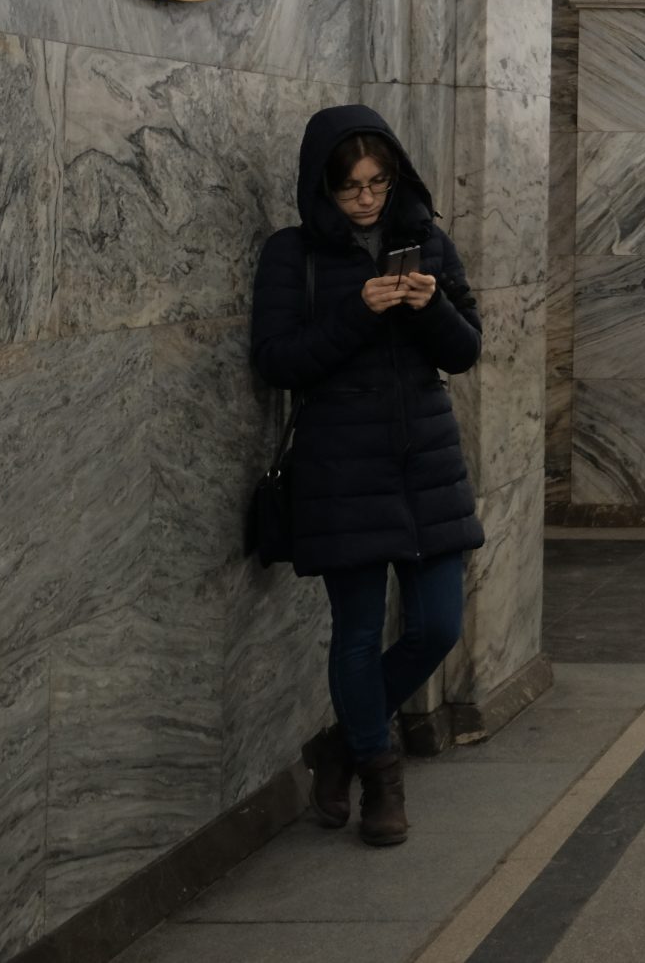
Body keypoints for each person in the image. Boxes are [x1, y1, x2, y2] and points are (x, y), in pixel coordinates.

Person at [250, 105, 484, 850]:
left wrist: (429, 306)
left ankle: (338, 746)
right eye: (352, 187)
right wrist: (357, 311)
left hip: (426, 460)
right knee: (355, 632)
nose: (369, 199)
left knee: (438, 625)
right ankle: (380, 773)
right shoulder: (294, 256)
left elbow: (464, 350)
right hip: (340, 465)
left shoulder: (427, 242)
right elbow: (278, 360)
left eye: (379, 183)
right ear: (324, 187)